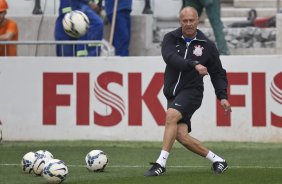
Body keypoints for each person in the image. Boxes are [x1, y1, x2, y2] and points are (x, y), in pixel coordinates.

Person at [144, 7, 232, 177]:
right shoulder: (171, 38)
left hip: (192, 91)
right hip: (172, 93)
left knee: (171, 115)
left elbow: (218, 73)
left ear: (197, 20)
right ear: (180, 21)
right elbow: (171, 58)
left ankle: (160, 164)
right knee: (181, 136)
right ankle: (218, 161)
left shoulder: (207, 45)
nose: (189, 24)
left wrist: (222, 96)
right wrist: (194, 64)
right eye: (185, 21)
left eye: (192, 20)